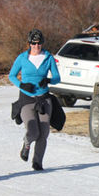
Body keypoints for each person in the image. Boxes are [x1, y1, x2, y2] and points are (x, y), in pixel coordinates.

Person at [9, 29, 61, 171]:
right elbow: (11, 75)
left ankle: (37, 162)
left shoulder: (48, 57)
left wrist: (48, 79)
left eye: (39, 43)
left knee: (43, 133)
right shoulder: (22, 58)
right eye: (33, 43)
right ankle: (26, 144)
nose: (36, 46)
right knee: (33, 131)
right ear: (29, 43)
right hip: (27, 99)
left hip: (44, 100)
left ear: (42, 43)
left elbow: (57, 78)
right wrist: (22, 84)